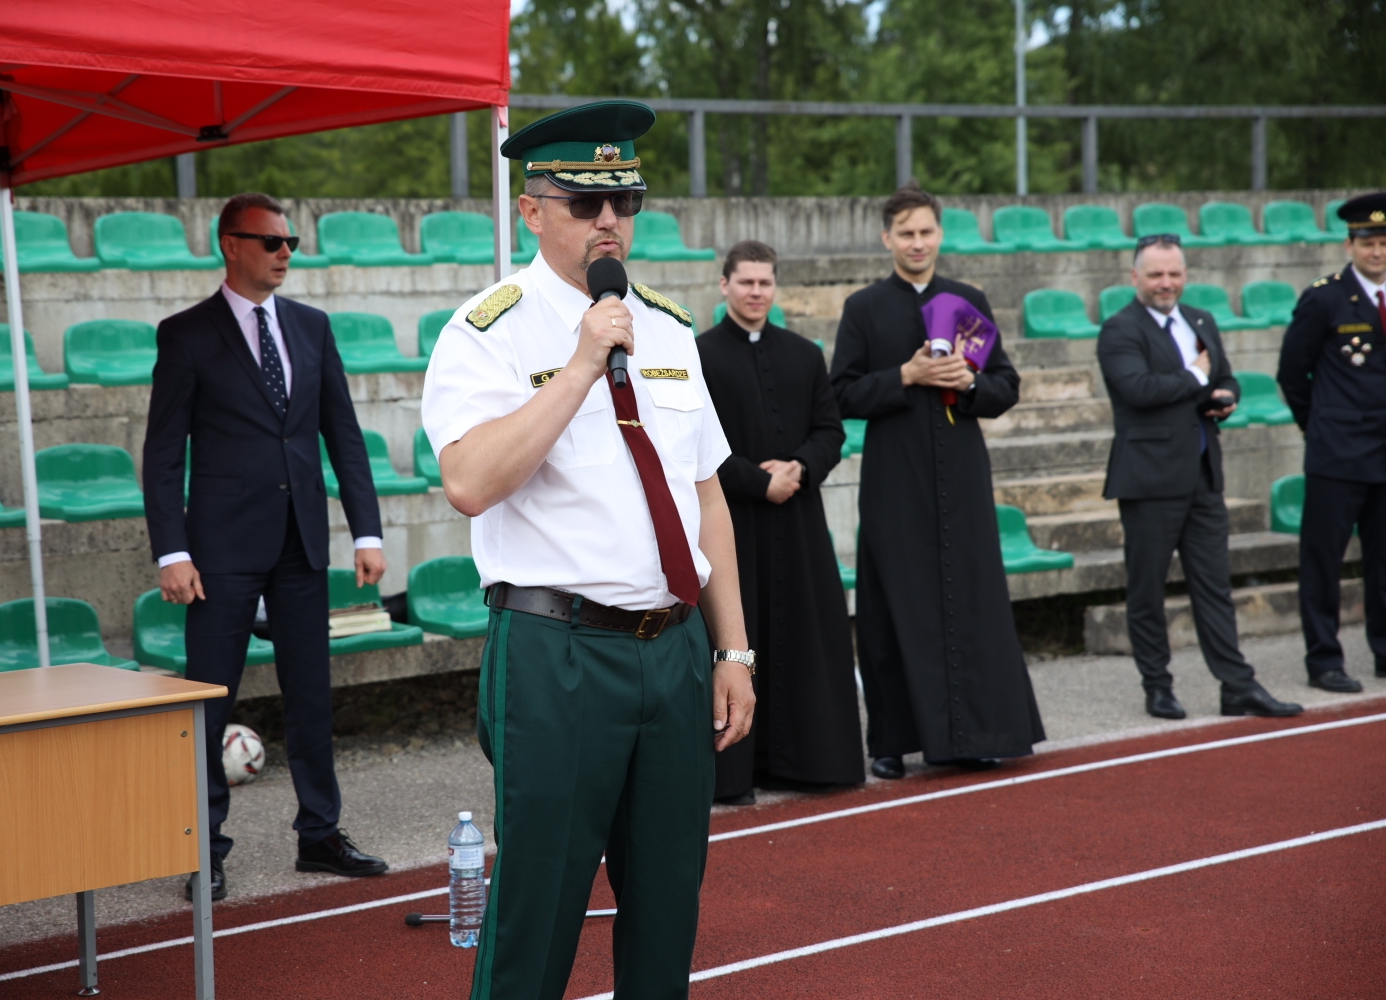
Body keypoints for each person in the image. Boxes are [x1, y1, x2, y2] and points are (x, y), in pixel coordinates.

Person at [421, 101, 755, 1000]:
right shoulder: (486, 331)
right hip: (557, 651)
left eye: (625, 201)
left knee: (666, 905)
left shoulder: (670, 328)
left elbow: (705, 497)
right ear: (532, 212)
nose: (609, 221)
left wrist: (733, 650)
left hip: (675, 649)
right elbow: (469, 483)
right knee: (541, 906)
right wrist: (577, 368)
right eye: (581, 202)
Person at [143, 192, 389, 902]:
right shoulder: (185, 334)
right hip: (217, 551)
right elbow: (163, 455)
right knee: (209, 702)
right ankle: (202, 848)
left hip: (302, 545)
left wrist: (365, 531)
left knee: (311, 695)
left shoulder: (312, 327)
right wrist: (172, 551)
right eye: (273, 242)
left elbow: (342, 433)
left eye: (292, 243)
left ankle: (320, 834)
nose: (286, 254)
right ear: (231, 244)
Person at [831, 181, 1043, 781]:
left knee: (971, 600)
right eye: (906, 233)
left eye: (926, 232)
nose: (917, 243)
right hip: (895, 478)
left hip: (963, 475)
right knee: (891, 606)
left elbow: (1006, 388)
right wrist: (906, 373)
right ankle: (891, 742)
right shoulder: (864, 308)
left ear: (940, 234)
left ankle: (979, 734)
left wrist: (968, 381)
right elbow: (840, 392)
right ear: (886, 239)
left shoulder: (968, 299)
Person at [1098, 235, 1302, 721]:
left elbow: (1224, 376)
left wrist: (1224, 396)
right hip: (1149, 483)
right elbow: (1139, 389)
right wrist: (1195, 378)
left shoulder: (1201, 321)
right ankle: (1158, 686)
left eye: (1174, 274)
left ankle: (1237, 685)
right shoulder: (1118, 329)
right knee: (1146, 589)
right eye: (1155, 275)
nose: (1166, 283)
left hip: (1203, 478)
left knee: (1214, 587)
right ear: (1135, 278)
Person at [696, 240, 862, 806]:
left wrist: (800, 468)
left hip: (798, 522)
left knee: (803, 639)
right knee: (737, 638)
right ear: (725, 286)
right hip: (733, 522)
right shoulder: (698, 356)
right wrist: (757, 481)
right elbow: (697, 449)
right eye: (746, 282)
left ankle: (806, 763)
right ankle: (731, 774)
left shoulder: (804, 353)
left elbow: (831, 430)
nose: (756, 292)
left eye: (765, 283)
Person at [1276, 192, 1386, 693]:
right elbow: (1291, 373)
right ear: (1350, 244)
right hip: (1337, 453)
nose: (1378, 252)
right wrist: (1316, 424)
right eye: (1368, 242)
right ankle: (1324, 660)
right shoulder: (1324, 297)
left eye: (1385, 242)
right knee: (1323, 560)